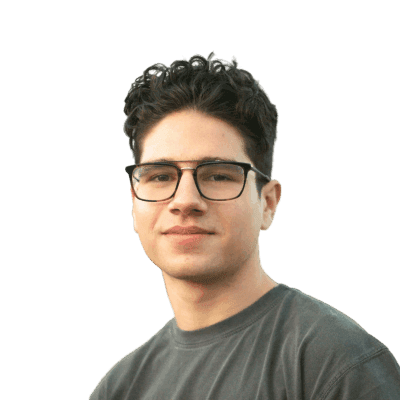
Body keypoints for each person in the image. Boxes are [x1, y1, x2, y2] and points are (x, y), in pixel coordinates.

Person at [89, 52, 400, 399]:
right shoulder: (119, 388)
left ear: (267, 203)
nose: (185, 200)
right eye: (160, 176)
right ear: (134, 203)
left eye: (218, 175)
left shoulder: (334, 364)